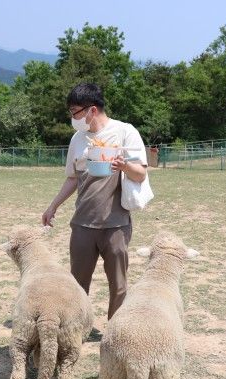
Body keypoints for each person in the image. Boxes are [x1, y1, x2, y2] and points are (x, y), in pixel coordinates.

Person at [42, 82, 148, 319]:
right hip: (82, 224)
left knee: (119, 285)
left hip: (116, 224)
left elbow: (140, 173)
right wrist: (53, 206)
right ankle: (76, 329)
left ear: (91, 110)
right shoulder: (77, 139)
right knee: (77, 286)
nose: (72, 118)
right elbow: (72, 178)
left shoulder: (125, 132)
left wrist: (124, 165)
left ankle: (116, 332)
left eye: (75, 112)